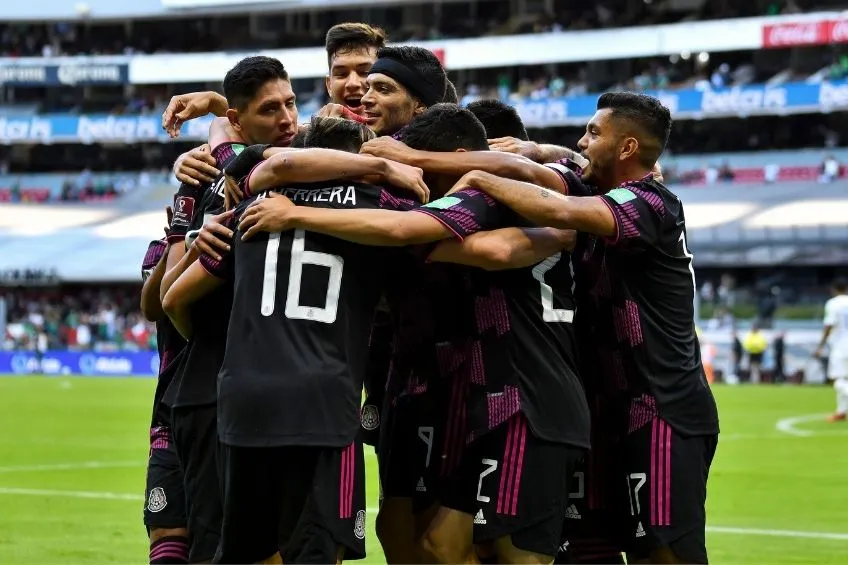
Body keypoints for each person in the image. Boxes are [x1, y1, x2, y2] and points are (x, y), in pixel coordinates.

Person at [237, 104, 589, 565]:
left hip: (530, 399)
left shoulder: (482, 197)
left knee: (516, 554)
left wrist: (297, 213)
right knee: (439, 544)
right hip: (490, 395)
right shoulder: (548, 186)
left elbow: (441, 235)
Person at [440, 92, 720, 565]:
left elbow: (560, 210)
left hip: (661, 409)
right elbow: (558, 172)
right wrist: (537, 152)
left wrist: (480, 175)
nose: (581, 141)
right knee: (594, 553)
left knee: (665, 555)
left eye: (593, 133)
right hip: (606, 413)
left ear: (627, 147)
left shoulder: (651, 202)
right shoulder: (604, 193)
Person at [157, 55, 299, 564]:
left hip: (298, 395)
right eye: (271, 109)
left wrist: (218, 112)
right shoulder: (209, 184)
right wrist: (193, 243)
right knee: (223, 546)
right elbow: (167, 302)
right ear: (241, 123)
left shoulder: (317, 163)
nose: (287, 119)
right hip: (215, 388)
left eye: (291, 104)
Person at [162, 22, 387, 185]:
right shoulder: (308, 138)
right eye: (341, 73)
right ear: (328, 85)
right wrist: (184, 159)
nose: (353, 83)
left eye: (365, 71)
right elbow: (243, 126)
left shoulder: (402, 136)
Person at [139, 208, 189, 565]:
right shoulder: (160, 249)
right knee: (166, 531)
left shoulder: (241, 235)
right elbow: (153, 305)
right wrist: (180, 239)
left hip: (227, 408)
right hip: (169, 413)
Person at [814, 278, 848, 423]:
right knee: (844, 379)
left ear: (834, 289)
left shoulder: (833, 304)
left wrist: (820, 346)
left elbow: (829, 325)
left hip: (841, 347)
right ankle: (841, 412)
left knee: (838, 379)